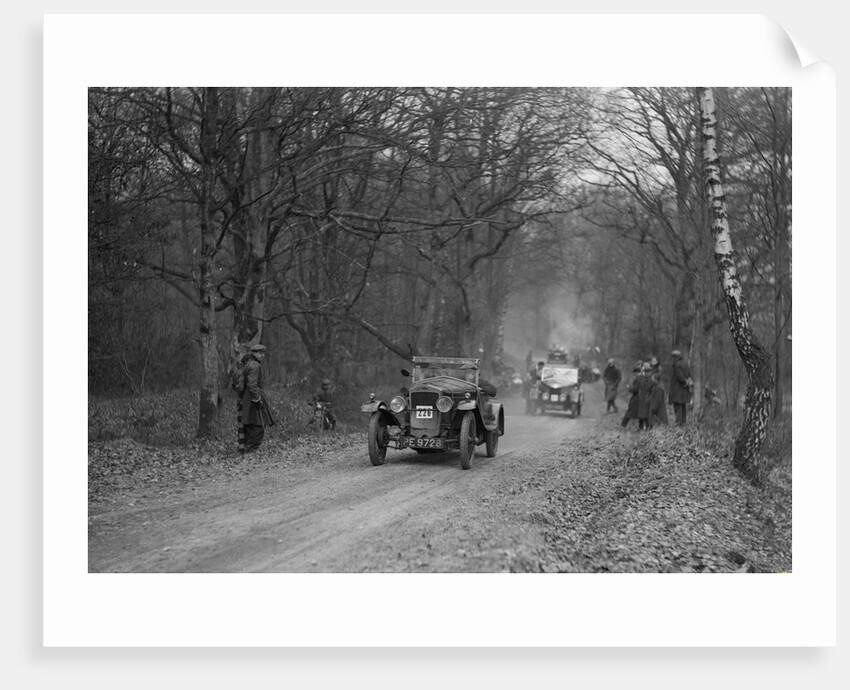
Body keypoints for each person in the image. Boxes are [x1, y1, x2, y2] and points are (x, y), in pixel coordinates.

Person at [239, 343, 274, 452]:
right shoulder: (254, 366)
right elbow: (251, 384)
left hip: (248, 397)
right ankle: (250, 451)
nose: (262, 355)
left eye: (263, 353)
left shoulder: (249, 364)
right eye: (260, 353)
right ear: (253, 353)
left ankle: (246, 450)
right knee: (259, 425)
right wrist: (257, 399)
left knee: (250, 424)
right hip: (252, 397)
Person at [669, 349, 692, 425]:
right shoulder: (685, 364)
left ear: (675, 357)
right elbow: (689, 374)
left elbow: (679, 376)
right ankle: (684, 420)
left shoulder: (676, 365)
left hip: (678, 389)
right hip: (684, 389)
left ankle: (679, 422)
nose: (672, 358)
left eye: (673, 357)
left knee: (677, 406)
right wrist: (687, 383)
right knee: (683, 406)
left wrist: (685, 382)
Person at [620, 361, 643, 428]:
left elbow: (635, 389)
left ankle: (623, 425)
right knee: (640, 414)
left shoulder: (638, 379)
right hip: (641, 397)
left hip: (636, 398)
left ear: (636, 372)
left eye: (634, 373)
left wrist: (630, 388)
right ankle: (641, 427)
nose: (634, 374)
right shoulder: (642, 378)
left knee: (629, 412)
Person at [647, 355, 668, 426]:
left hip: (657, 386)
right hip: (656, 385)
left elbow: (657, 376)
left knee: (658, 406)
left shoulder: (659, 369)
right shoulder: (653, 368)